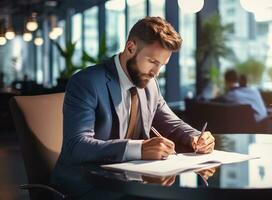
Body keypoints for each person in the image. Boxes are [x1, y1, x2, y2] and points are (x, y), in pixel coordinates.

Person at [51, 16, 215, 197]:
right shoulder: (86, 82)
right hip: (86, 185)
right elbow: (77, 145)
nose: (156, 73)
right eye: (152, 61)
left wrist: (195, 137)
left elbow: (172, 124)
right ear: (130, 48)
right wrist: (139, 148)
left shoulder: (150, 84)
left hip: (130, 183)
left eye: (162, 65)